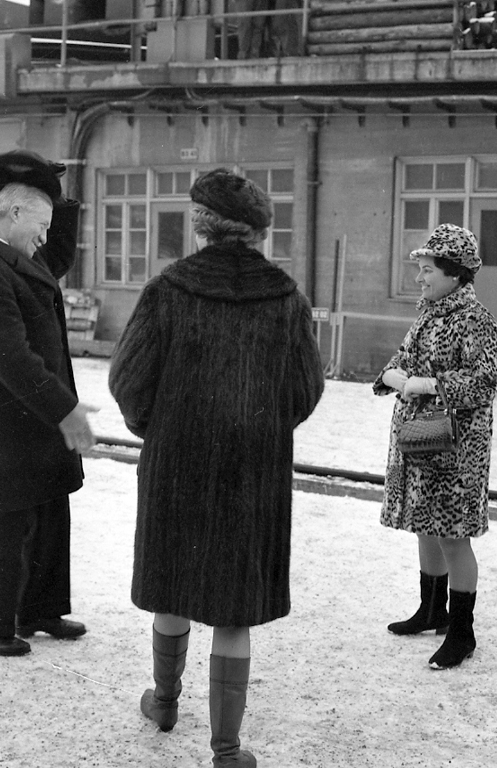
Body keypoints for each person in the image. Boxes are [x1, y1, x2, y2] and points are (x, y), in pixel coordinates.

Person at [109, 168, 324, 766]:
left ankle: (164, 701)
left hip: (177, 461)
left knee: (172, 583)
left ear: (201, 226)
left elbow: (128, 379)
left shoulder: (167, 289)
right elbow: (305, 389)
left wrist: (160, 429)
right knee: (235, 609)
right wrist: (260, 427)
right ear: (257, 232)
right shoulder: (286, 298)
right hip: (253, 469)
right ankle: (226, 749)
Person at [0, 150, 97, 657]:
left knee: (49, 510)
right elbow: (12, 358)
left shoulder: (17, 256)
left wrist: (54, 194)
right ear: (13, 213)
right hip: (8, 421)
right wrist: (65, 409)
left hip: (36, 414)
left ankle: (38, 610)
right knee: (5, 519)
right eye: (40, 226)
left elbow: (55, 257)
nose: (44, 238)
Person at [374, 224, 497, 670]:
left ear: (454, 273)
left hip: (457, 448)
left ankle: (462, 632)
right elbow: (399, 362)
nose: (420, 277)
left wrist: (425, 384)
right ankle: (432, 610)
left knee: (452, 534)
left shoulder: (475, 319)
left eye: (428, 269)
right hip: (419, 441)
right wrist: (395, 377)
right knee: (425, 525)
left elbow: (483, 382)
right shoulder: (428, 315)